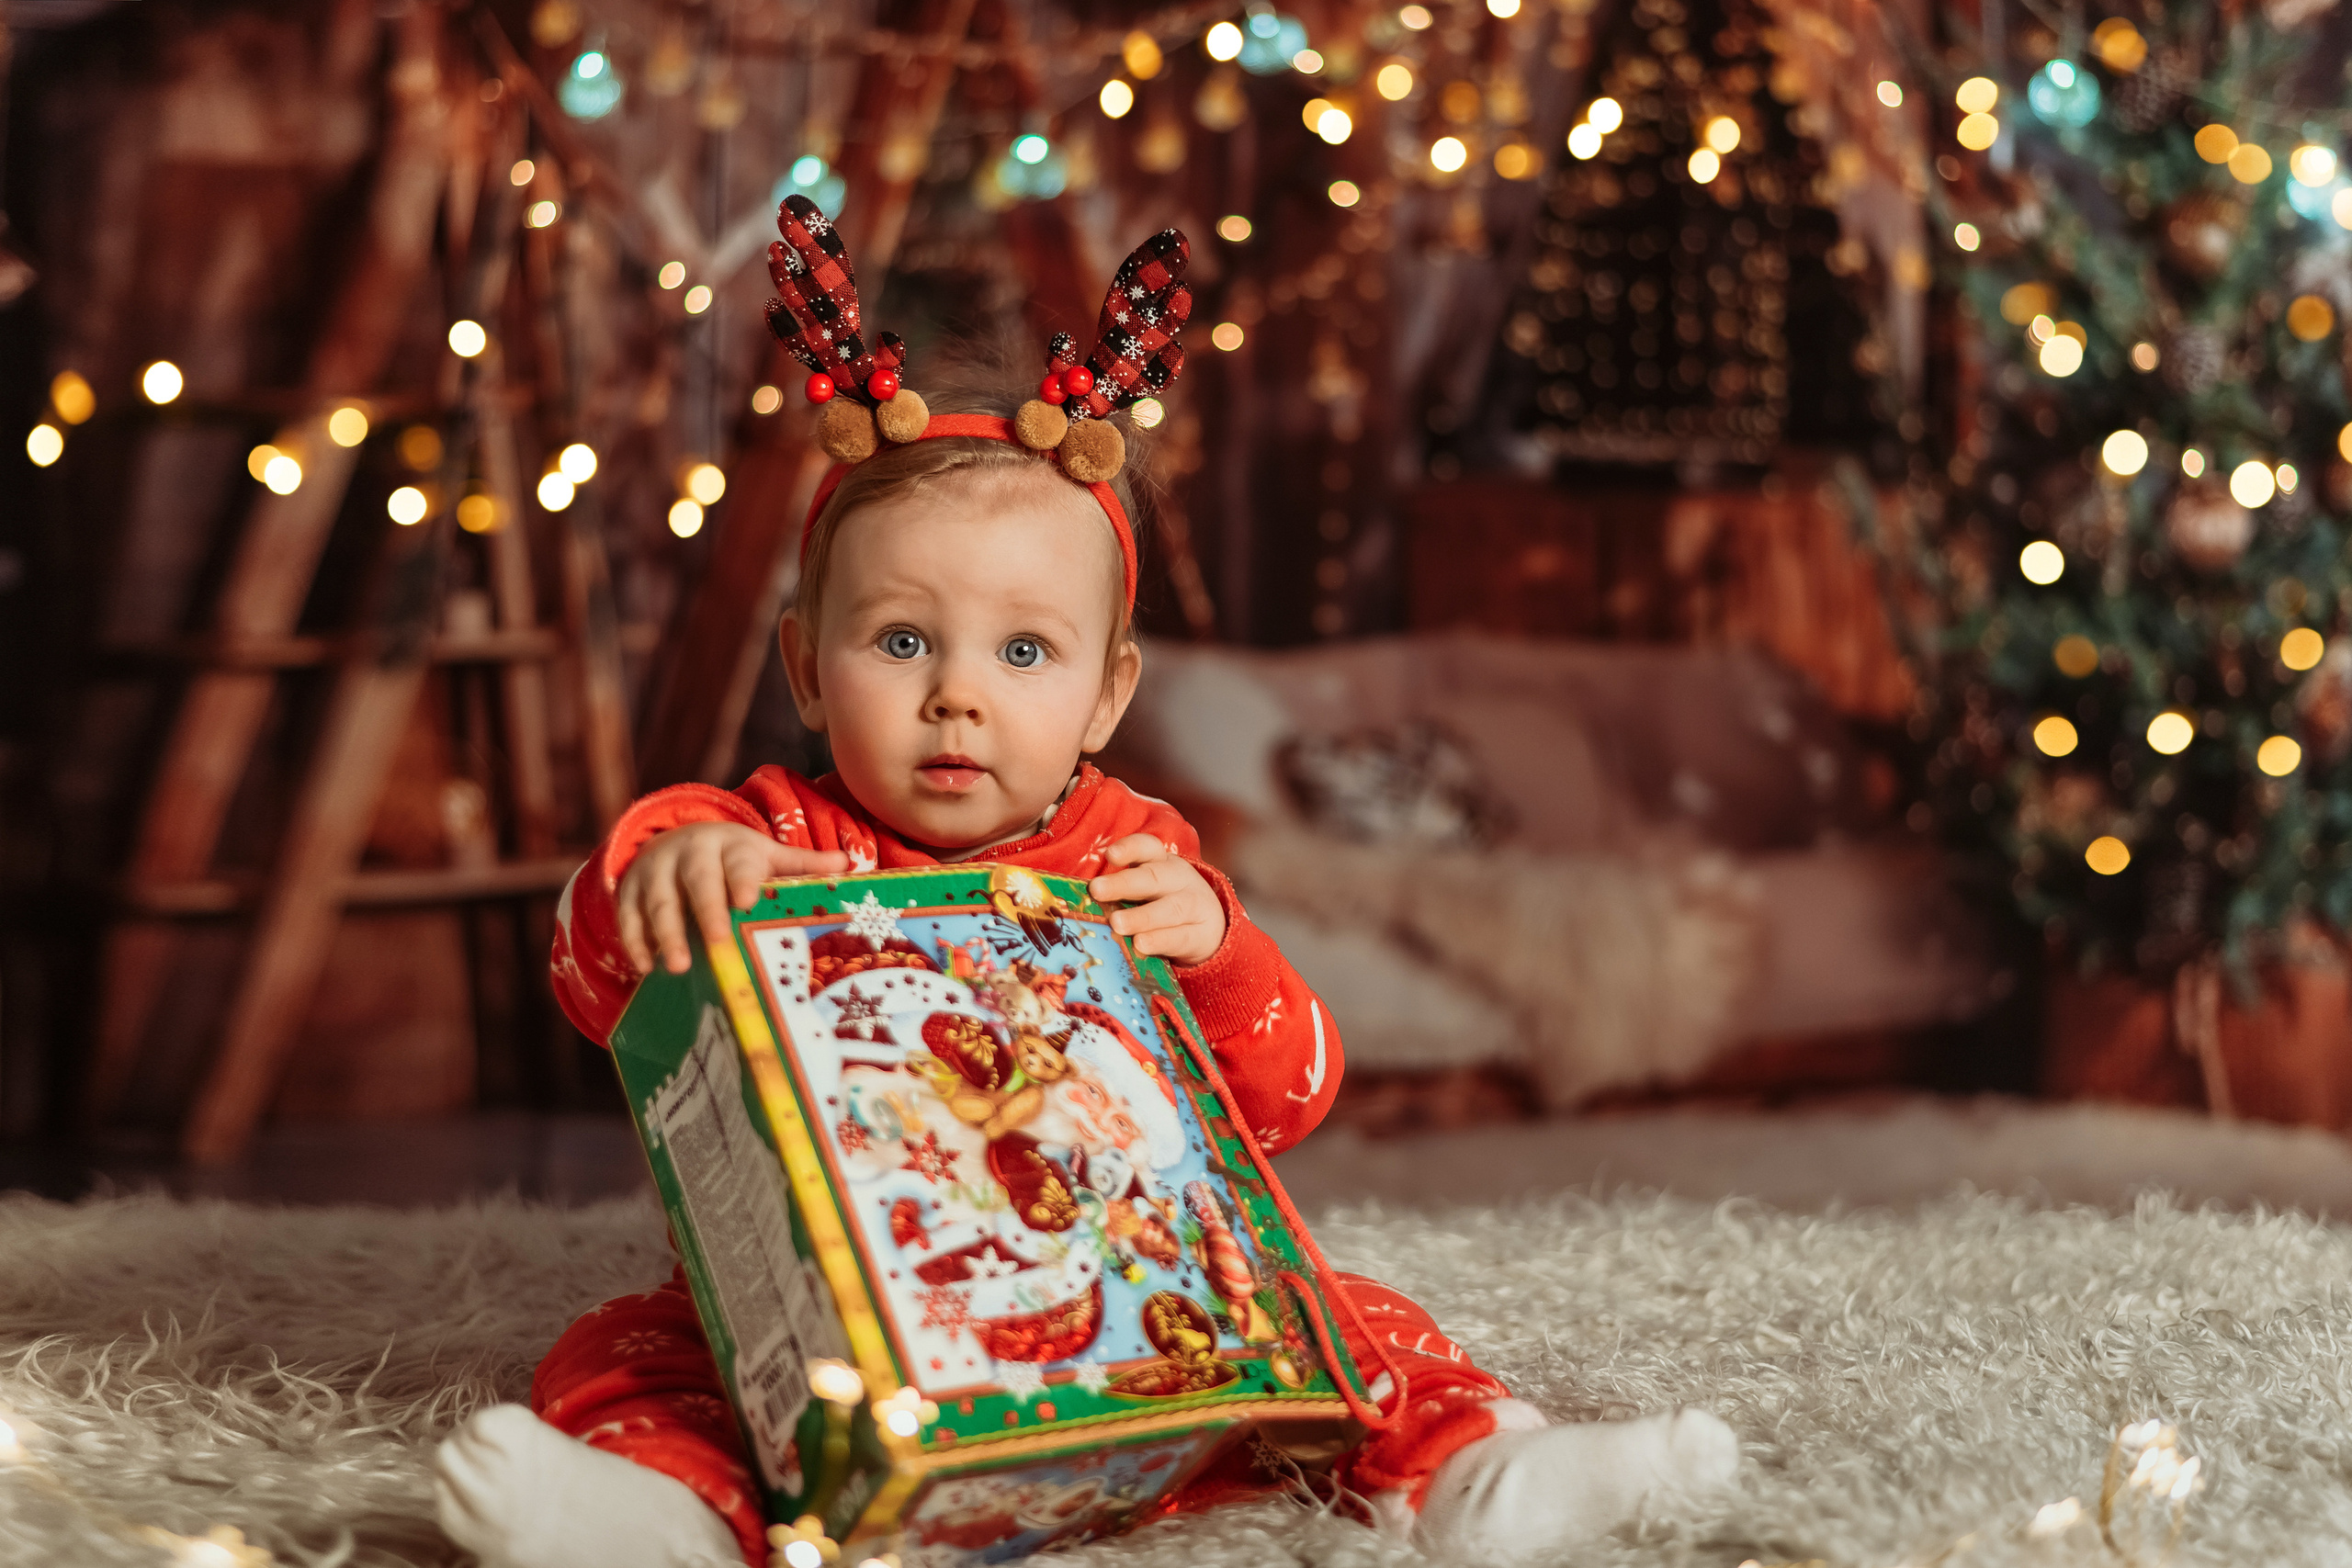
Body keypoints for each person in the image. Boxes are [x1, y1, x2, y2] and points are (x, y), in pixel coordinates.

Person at [434, 207, 1736, 1568]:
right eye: (899, 639)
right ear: (809, 669)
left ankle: (1473, 1480)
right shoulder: (768, 838)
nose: (957, 695)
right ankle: (666, 1520)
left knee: (1340, 1314)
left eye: (1025, 652)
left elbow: (1288, 1099)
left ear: (1109, 695)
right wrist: (668, 874)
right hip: (839, 1313)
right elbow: (594, 988)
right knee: (634, 1346)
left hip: (1122, 1312)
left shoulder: (1134, 856)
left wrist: (1220, 949)